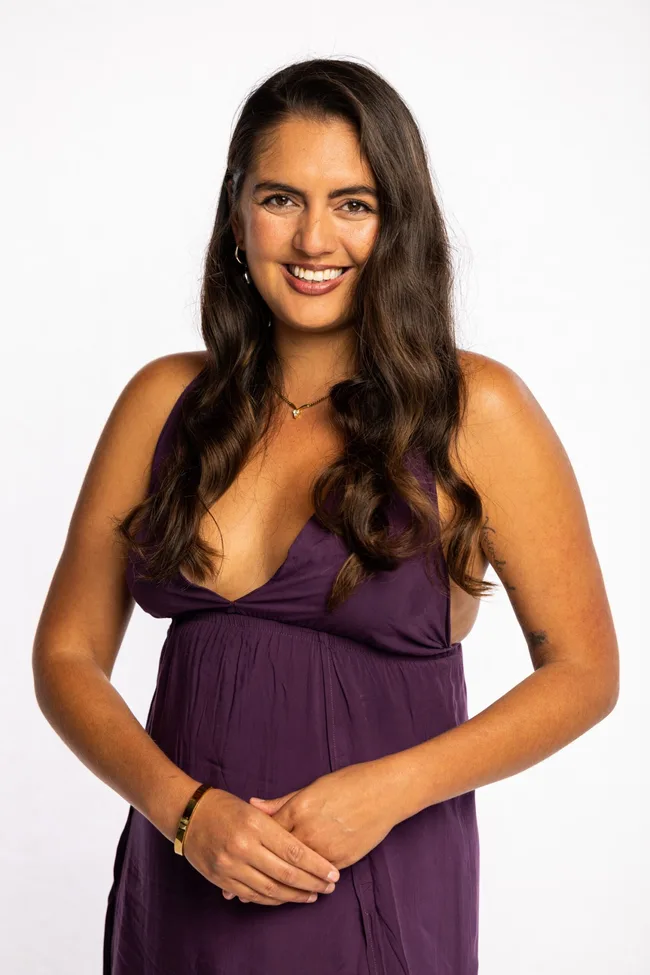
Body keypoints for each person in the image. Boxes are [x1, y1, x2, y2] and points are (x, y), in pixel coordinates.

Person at [32, 57, 619, 975]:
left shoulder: (476, 410)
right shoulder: (162, 401)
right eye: (280, 198)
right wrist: (185, 813)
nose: (314, 238)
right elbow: (65, 657)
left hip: (376, 888)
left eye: (353, 202)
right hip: (182, 887)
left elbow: (585, 672)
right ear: (237, 215)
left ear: (398, 223)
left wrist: (388, 792)